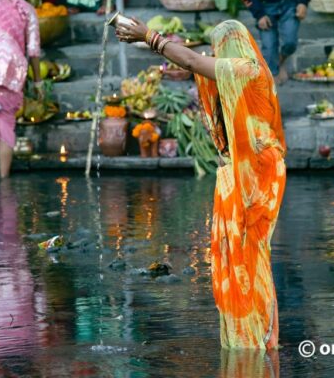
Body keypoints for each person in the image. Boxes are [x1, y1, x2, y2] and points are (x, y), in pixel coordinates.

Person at [115, 18, 286, 350]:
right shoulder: (241, 69)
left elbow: (194, 62)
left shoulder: (247, 71)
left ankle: (257, 334)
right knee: (241, 250)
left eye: (220, 47)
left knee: (249, 250)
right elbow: (197, 63)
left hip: (259, 170)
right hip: (248, 166)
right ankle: (249, 334)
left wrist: (149, 37)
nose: (217, 54)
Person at [0, 0, 42, 178]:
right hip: (11, 69)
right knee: (5, 125)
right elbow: (34, 49)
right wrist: (37, 81)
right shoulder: (25, 7)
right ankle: (4, 182)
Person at [244, 0, 312, 84]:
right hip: (264, 7)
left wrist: (303, 2)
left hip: (290, 2)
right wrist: (259, 14)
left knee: (290, 42)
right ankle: (272, 81)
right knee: (269, 46)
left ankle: (280, 61)